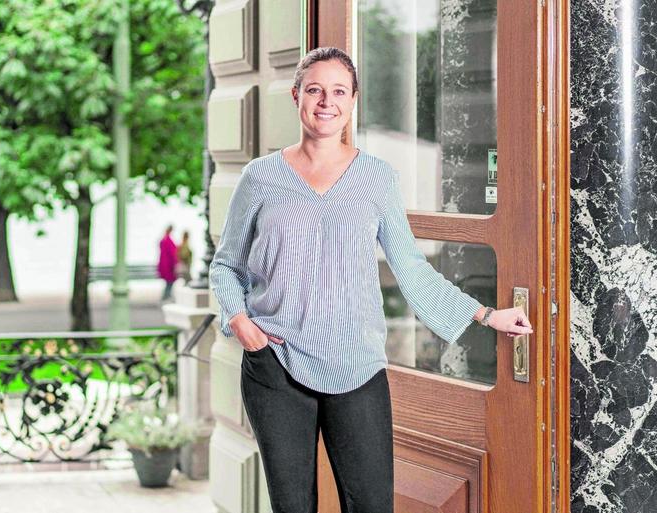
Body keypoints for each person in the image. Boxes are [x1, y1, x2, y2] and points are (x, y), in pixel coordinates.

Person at [208, 47, 533, 513]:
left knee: (372, 505)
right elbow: (226, 265)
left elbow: (411, 266)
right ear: (296, 96)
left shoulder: (377, 178)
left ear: (353, 100)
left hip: (356, 362)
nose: (327, 102)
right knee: (292, 506)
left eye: (339, 91)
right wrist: (241, 323)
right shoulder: (260, 177)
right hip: (274, 362)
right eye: (315, 89)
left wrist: (485, 315)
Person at [157, 224, 178, 301]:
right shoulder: (167, 240)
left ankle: (167, 295)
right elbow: (172, 253)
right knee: (169, 282)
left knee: (169, 282)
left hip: (165, 264)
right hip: (168, 265)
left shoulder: (164, 240)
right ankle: (166, 295)